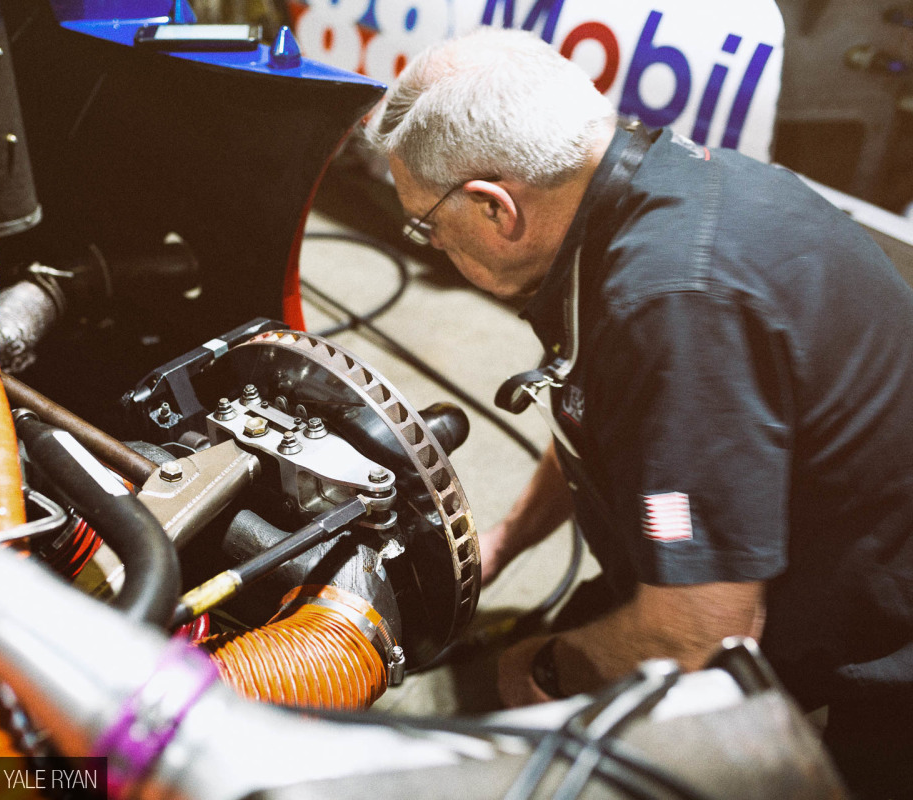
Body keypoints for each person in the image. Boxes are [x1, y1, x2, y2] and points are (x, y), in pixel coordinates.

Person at [367, 28, 913, 799]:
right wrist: (505, 543)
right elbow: (610, 411)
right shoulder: (648, 187)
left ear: (497, 209)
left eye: (425, 223)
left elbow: (702, 632)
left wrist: (539, 666)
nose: (427, 241)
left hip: (873, 658)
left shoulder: (670, 307)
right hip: (796, 541)